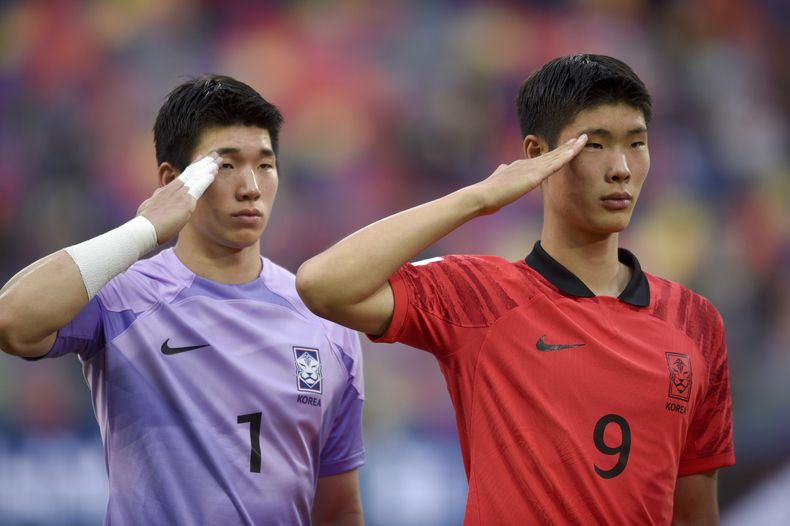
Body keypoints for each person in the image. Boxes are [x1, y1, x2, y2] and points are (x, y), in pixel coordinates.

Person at [296, 54, 734, 524]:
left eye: (637, 143)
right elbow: (323, 284)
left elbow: (694, 514)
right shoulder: (480, 297)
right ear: (535, 155)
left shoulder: (695, 322)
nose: (622, 168)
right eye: (595, 146)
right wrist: (480, 197)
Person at [0, 75, 365, 525]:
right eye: (225, 166)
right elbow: (11, 321)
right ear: (174, 181)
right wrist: (144, 231)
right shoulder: (125, 297)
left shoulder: (326, 321)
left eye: (265, 165)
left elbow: (339, 509)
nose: (250, 186)